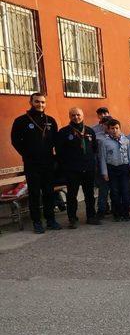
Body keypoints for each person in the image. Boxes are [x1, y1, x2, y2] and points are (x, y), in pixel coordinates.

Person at [10, 92, 60, 233]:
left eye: (43, 102)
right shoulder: (21, 121)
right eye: (37, 101)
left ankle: (50, 220)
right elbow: (15, 141)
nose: (40, 104)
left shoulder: (50, 120)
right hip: (32, 164)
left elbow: (55, 141)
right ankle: (37, 222)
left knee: (49, 193)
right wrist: (27, 154)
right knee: (34, 194)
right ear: (31, 102)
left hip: (48, 163)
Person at [55, 107, 101, 228]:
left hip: (89, 169)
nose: (76, 117)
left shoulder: (90, 131)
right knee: (72, 195)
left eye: (78, 115)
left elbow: (95, 149)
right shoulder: (64, 132)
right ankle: (72, 218)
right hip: (72, 170)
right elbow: (59, 152)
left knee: (89, 194)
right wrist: (66, 167)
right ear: (70, 117)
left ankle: (91, 216)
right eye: (73, 115)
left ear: (83, 115)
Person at [99, 119, 130, 222]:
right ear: (108, 129)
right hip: (112, 169)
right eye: (112, 128)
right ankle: (117, 213)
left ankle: (125, 213)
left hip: (124, 168)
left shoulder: (126, 140)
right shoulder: (105, 142)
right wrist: (105, 172)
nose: (114, 130)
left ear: (120, 128)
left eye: (116, 128)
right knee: (114, 192)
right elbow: (103, 158)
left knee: (125, 191)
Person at [95, 115, 112, 218]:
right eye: (104, 124)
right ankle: (102, 209)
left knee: (115, 188)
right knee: (103, 189)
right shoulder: (97, 137)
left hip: (114, 165)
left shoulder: (118, 135)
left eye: (108, 124)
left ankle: (117, 208)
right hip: (101, 165)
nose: (106, 126)